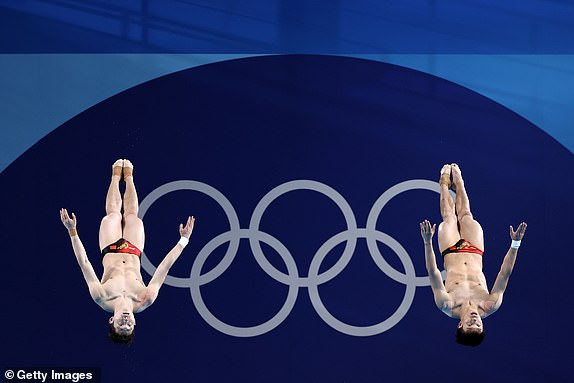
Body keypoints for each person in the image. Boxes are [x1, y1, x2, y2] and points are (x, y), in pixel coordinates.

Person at [60, 159, 195, 343]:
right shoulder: (145, 299)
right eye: (129, 326)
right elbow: (164, 267)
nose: (125, 322)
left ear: (111, 320)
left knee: (113, 215)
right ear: (135, 322)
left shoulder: (101, 297)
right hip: (134, 249)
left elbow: (84, 263)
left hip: (110, 248)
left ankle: (115, 176)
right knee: (132, 216)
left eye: (120, 325)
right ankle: (129, 177)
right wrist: (184, 239)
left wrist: (72, 231)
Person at [420, 163, 527, 346]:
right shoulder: (489, 304)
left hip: (451, 249)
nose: (475, 320)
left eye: (470, 325)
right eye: (478, 325)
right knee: (466, 215)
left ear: (460, 324)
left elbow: (433, 272)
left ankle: (444, 183)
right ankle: (459, 182)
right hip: (474, 250)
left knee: (450, 217)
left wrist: (427, 241)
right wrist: (515, 243)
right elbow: (504, 273)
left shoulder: (447, 304)